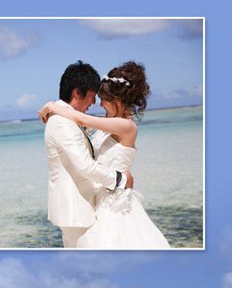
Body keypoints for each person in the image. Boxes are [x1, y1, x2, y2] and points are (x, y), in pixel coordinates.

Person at [38, 61, 170, 248]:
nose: (97, 103)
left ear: (117, 100)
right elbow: (81, 121)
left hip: (115, 198)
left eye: (102, 98)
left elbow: (82, 119)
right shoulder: (108, 121)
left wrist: (51, 107)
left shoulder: (127, 126)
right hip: (102, 199)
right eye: (95, 97)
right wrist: (53, 107)